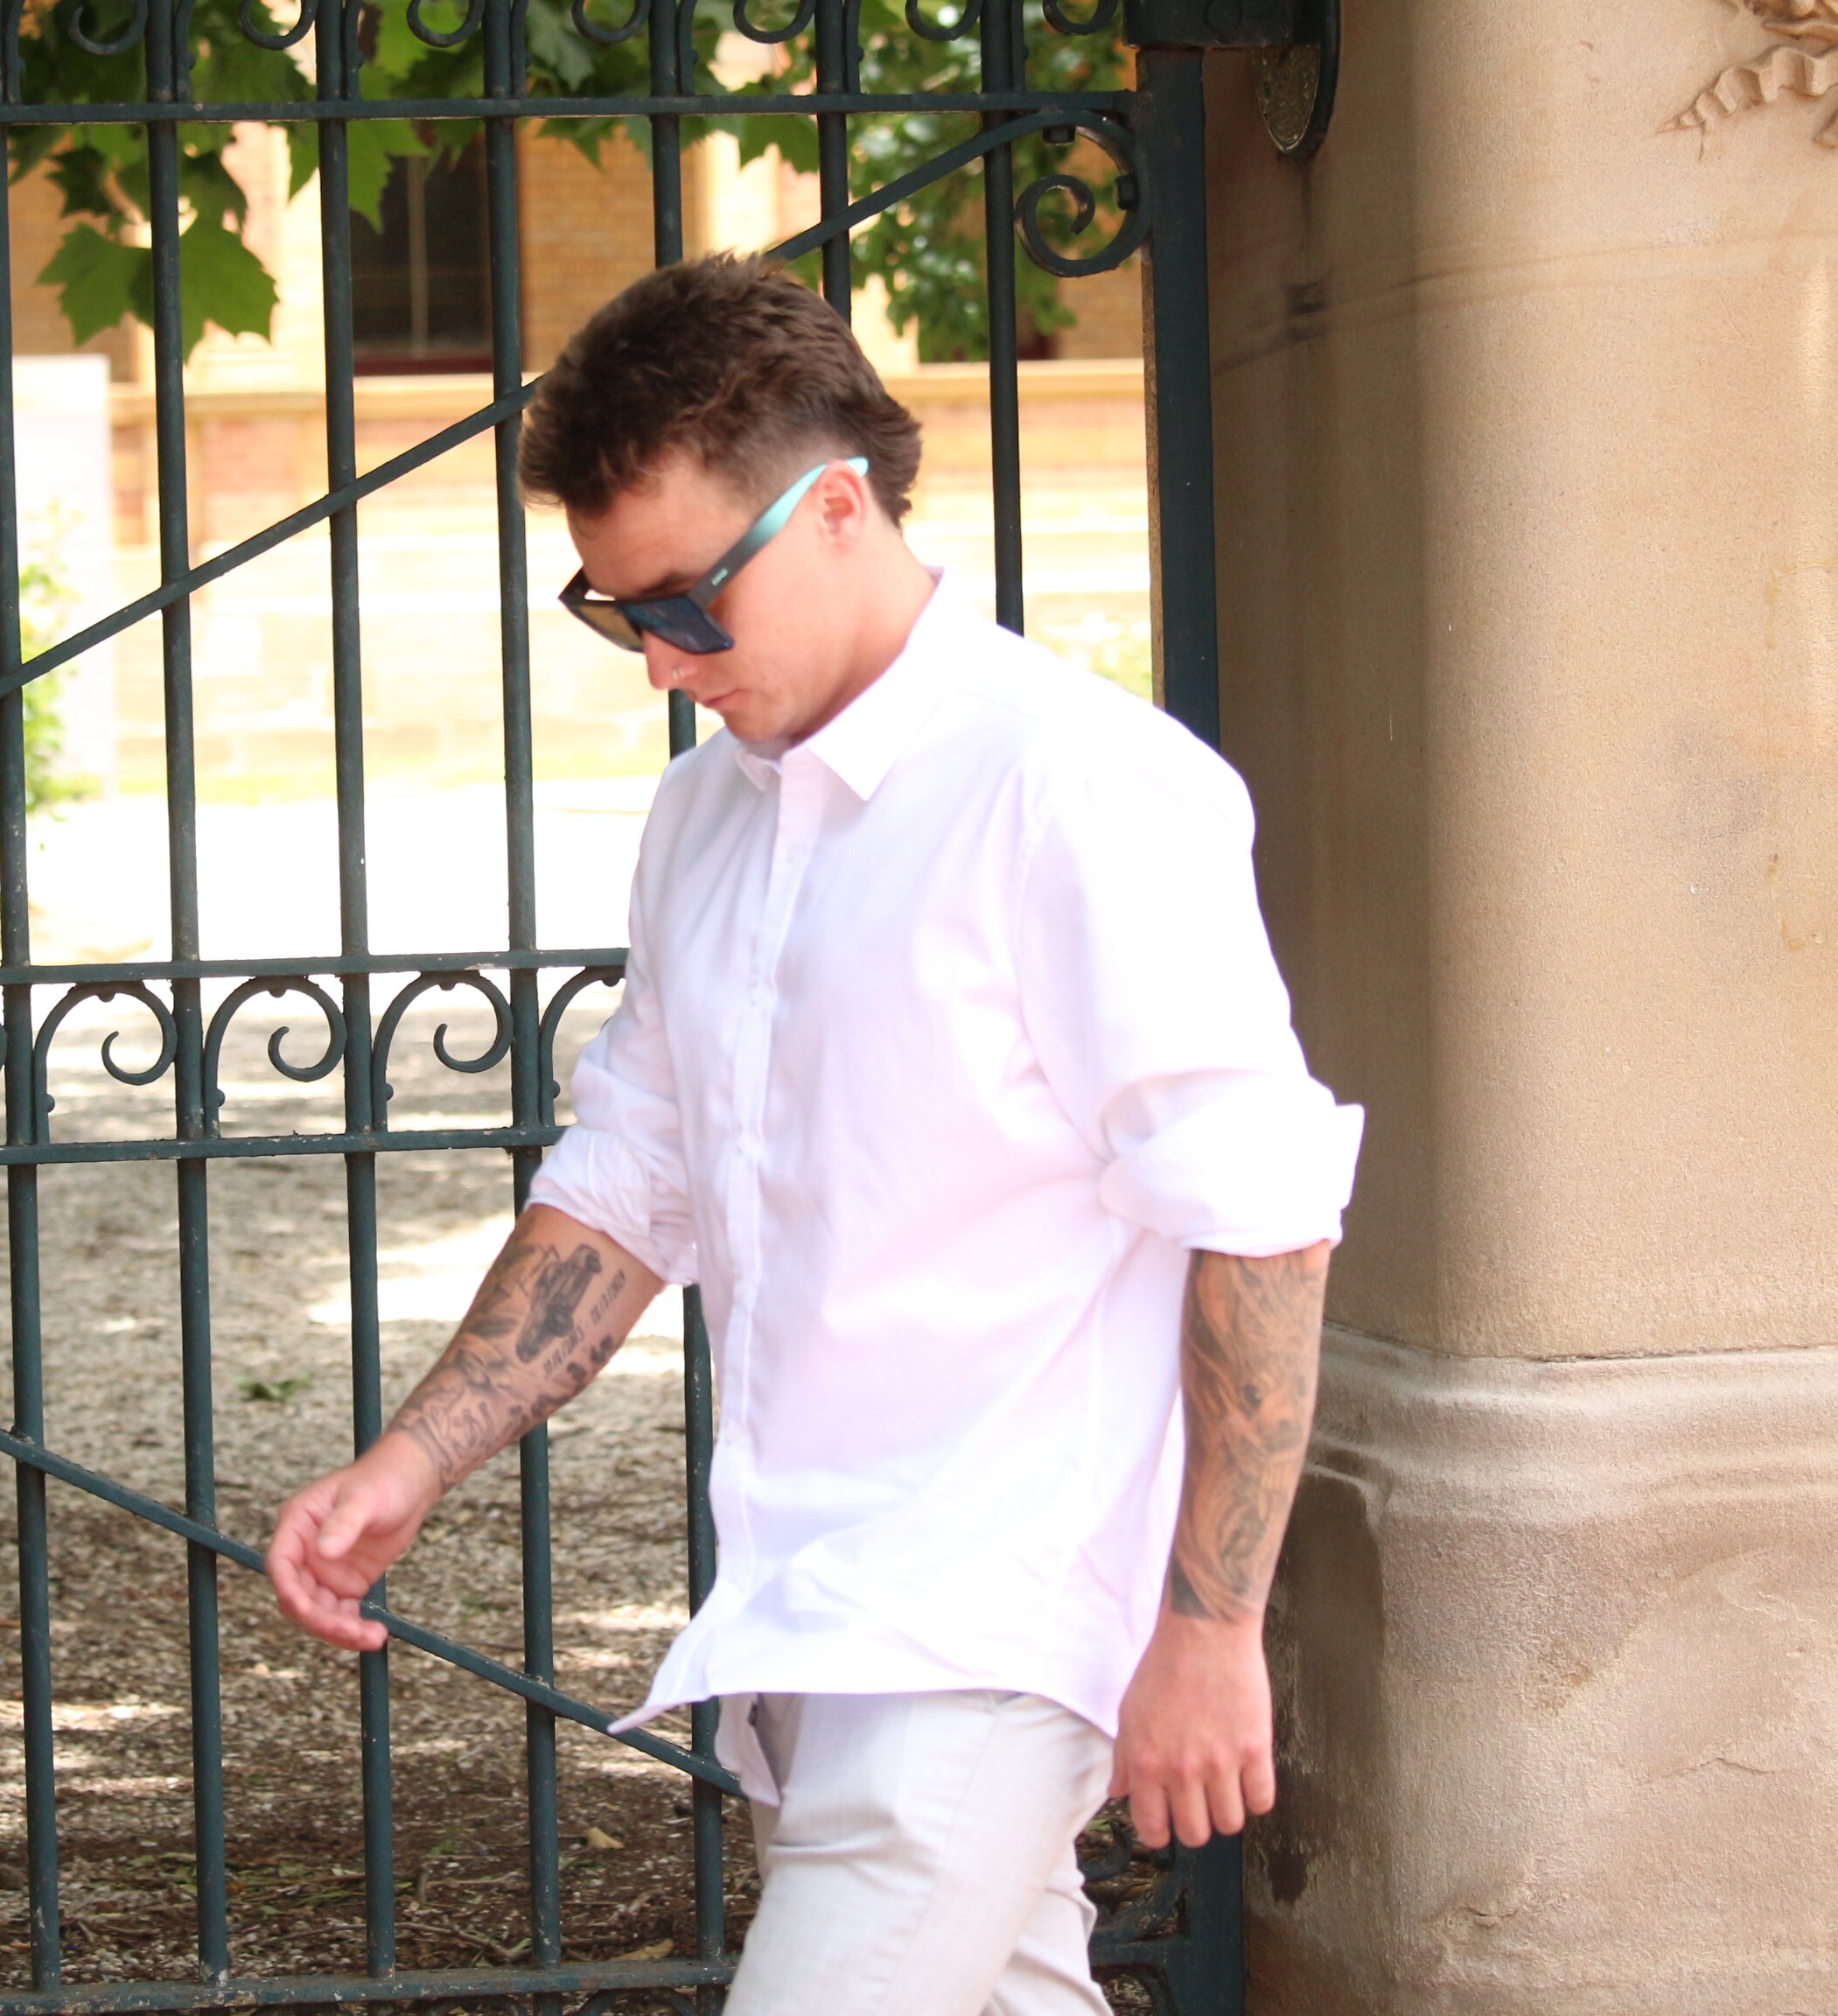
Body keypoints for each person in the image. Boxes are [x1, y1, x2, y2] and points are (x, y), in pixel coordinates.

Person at [265, 256, 1362, 2016]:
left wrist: (1213, 1633)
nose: (659, 664)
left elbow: (1259, 1215)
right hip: (816, 1608)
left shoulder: (1077, 789)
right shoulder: (708, 815)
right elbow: (632, 1178)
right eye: (617, 615)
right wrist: (410, 1465)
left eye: (690, 604)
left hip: (991, 1619)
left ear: (837, 506)